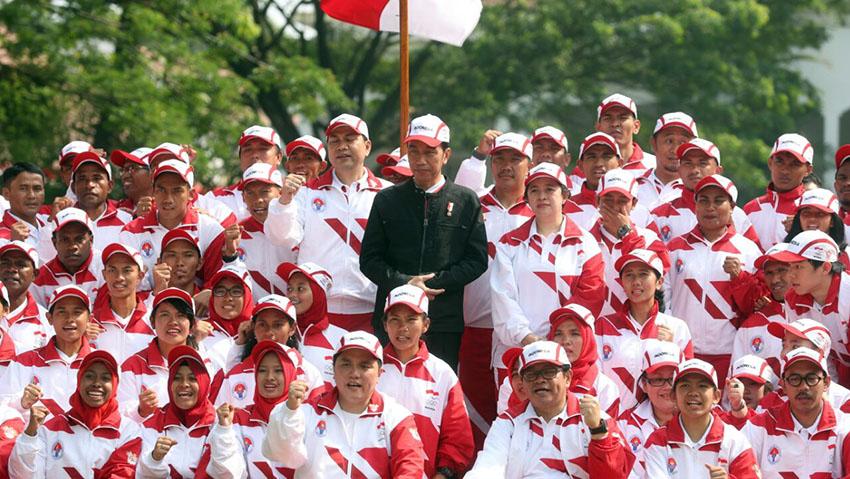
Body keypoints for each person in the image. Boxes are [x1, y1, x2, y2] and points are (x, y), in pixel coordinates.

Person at [360, 114, 488, 370]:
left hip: (443, 321)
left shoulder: (466, 200)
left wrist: (433, 283)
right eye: (414, 151)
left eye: (430, 152)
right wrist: (406, 283)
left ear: (446, 154)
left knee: (437, 394)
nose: (420, 160)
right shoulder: (386, 200)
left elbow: (476, 260)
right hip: (392, 319)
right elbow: (369, 260)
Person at [265, 113, 390, 333]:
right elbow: (282, 237)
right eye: (335, 141)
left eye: (350, 139)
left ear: (368, 146)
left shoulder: (388, 193)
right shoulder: (305, 193)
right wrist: (283, 202)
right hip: (318, 311)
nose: (342, 146)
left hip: (372, 310)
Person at [490, 162, 605, 380]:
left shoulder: (585, 243)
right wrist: (529, 339)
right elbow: (502, 300)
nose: (542, 196)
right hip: (516, 354)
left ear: (565, 196)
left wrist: (559, 341)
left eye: (549, 189)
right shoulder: (509, 243)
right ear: (527, 197)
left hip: (567, 358)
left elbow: (591, 297)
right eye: (535, 190)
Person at [262, 331, 426, 477]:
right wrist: (289, 411)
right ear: (333, 370)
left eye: (365, 366)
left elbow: (410, 469)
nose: (354, 374)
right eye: (346, 364)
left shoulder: (397, 417)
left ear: (380, 373)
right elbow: (282, 455)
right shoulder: (307, 411)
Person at [458, 132, 533, 447]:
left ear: (530, 165)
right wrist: (476, 156)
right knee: (473, 413)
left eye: (515, 159)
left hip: (520, 334)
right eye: (499, 159)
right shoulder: (473, 205)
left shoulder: (539, 212)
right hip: (475, 328)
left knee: (515, 413)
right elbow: (458, 190)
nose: (506, 166)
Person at [465, 341, 632, 478]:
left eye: (549, 372)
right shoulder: (508, 423)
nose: (540, 380)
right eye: (531, 374)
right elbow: (487, 469)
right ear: (522, 383)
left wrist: (599, 433)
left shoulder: (595, 419)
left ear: (567, 378)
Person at [666, 174, 761, 384]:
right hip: (683, 351)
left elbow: (756, 307)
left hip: (730, 352)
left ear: (732, 207)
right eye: (704, 200)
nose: (710, 207)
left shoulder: (748, 250)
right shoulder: (674, 248)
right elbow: (665, 301)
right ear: (695, 206)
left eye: (719, 201)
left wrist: (740, 277)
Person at [378, 284, 475, 478]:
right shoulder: (370, 367)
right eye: (395, 319)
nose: (402, 327)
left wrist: (442, 474)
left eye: (411, 319)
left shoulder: (442, 374)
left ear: (426, 324)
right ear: (385, 324)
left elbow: (458, 439)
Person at [9, 351, 141, 478]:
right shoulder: (50, 429)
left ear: (115, 385)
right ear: (79, 381)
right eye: (89, 376)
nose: (96, 384)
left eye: (105, 378)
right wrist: (29, 436)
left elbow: (122, 475)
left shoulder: (128, 431)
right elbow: (23, 476)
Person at [597, 249, 693, 410]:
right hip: (612, 422)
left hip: (660, 425)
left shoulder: (677, 327)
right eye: (629, 275)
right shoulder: (603, 326)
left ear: (659, 282)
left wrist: (674, 350)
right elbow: (596, 379)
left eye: (643, 274)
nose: (636, 281)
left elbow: (688, 382)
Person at [119, 159, 235, 286]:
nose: (168, 199)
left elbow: (217, 280)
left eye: (177, 191)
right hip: (149, 304)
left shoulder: (210, 229)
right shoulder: (131, 232)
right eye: (162, 190)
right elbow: (131, 289)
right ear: (153, 192)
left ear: (190, 195)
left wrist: (207, 293)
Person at [643, 359, 761, 478]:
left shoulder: (735, 441)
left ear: (716, 396)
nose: (693, 392)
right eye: (685, 386)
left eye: (702, 386)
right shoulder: (657, 441)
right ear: (673, 396)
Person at [742, 347, 850, 477]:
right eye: (794, 379)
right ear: (783, 385)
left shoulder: (845, 426)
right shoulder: (757, 427)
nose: (803, 387)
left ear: (826, 383)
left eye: (811, 378)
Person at [211, 294, 324, 408]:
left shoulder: (308, 374)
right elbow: (220, 421)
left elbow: (318, 420)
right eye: (262, 325)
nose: (269, 332)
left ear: (292, 329)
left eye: (278, 325)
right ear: (253, 327)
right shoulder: (235, 374)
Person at [207, 341, 300, 478]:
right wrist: (223, 432)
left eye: (278, 370)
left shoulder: (308, 416)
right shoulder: (238, 419)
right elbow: (228, 474)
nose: (269, 377)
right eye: (262, 370)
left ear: (290, 373)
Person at [1, 285, 94, 417]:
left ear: (90, 318)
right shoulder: (22, 362)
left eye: (77, 312)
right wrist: (21, 403)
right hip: (35, 437)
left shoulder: (101, 363)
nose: (70, 319)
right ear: (49, 318)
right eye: (62, 312)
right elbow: (3, 407)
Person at [772, 230, 850, 384]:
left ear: (826, 268)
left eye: (799, 267)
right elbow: (814, 355)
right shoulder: (793, 298)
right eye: (790, 266)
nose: (790, 275)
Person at [589, 168, 670, 316]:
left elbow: (656, 279)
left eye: (622, 201)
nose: (614, 207)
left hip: (636, 329)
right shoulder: (583, 240)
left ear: (634, 203)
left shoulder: (651, 239)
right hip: (595, 329)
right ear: (597, 201)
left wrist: (626, 234)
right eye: (608, 200)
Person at [117, 287, 202, 423]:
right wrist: (140, 411)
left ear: (192, 324)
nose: (173, 321)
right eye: (165, 314)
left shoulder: (204, 363)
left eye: (180, 315)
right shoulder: (133, 366)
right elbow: (119, 417)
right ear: (152, 322)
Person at [651, 138, 759, 244]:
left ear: (718, 171)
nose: (694, 170)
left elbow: (753, 256)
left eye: (702, 163)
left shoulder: (737, 215)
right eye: (688, 163)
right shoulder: (659, 215)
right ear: (679, 169)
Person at [137, 345, 216, 477]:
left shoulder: (219, 423)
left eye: (192, 378)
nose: (184, 384)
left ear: (204, 383)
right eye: (177, 378)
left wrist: (224, 433)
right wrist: (154, 459)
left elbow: (229, 473)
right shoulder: (151, 424)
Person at [617, 339, 684, 479]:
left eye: (673, 378)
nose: (667, 387)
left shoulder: (705, 419)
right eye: (658, 380)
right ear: (644, 385)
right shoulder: (624, 425)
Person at [278, 262, 346, 386]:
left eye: (300, 289)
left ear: (318, 293)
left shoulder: (341, 339)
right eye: (289, 289)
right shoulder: (277, 333)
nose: (292, 295)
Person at [547, 303, 621, 416]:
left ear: (588, 339)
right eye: (558, 334)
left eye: (575, 334)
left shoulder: (605, 387)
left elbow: (610, 432)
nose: (566, 341)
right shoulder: (537, 380)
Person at [744, 133, 814, 251]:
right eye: (779, 161)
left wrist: (800, 230)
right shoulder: (751, 208)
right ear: (770, 163)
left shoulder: (813, 211)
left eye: (795, 164)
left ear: (808, 170)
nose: (785, 170)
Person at [234, 162, 293, 298]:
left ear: (280, 193)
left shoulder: (296, 226)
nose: (258, 200)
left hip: (294, 314)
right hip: (254, 316)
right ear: (243, 197)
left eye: (264, 192)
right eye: (250, 193)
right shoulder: (237, 235)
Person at [88, 244, 153, 364]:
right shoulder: (90, 324)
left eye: (127, 270)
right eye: (112, 270)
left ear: (140, 276)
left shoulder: (154, 322)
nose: (119, 277)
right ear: (104, 275)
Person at [207, 125, 284, 222]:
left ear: (279, 157)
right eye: (248, 150)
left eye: (263, 149)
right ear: (240, 157)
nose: (255, 155)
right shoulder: (214, 200)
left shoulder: (299, 196)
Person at [31, 207, 103, 307]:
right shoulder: (40, 280)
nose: (73, 246)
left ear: (91, 240)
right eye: (65, 239)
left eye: (79, 239)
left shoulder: (106, 268)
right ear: (54, 242)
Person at [67, 150, 133, 253]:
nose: (89, 185)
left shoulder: (128, 222)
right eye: (82, 178)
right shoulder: (63, 221)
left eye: (97, 178)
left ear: (110, 186)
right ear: (73, 187)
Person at [635, 112, 698, 208]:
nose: (675, 150)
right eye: (669, 141)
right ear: (654, 144)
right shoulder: (631, 185)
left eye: (683, 142)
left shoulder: (702, 194)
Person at [202, 263, 254, 373]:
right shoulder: (200, 333)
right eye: (220, 291)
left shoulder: (260, 332)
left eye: (236, 291)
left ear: (248, 296)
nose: (228, 298)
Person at [0, 241, 50, 352]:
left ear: (35, 274)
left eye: (21, 265)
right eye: (5, 263)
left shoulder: (46, 322)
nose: (12, 269)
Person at [596, 93, 656, 174]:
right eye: (608, 118)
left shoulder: (654, 167)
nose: (615, 124)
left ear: (636, 126)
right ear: (598, 128)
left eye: (623, 118)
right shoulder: (585, 170)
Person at [0, 162, 49, 249]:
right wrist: (13, 246)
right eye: (23, 189)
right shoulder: (2, 237)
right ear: (6, 194)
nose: (31, 196)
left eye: (37, 189)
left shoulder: (51, 224)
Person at [720, 354, 776, 429]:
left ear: (767, 389)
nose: (745, 390)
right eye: (738, 384)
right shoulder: (721, 422)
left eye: (753, 384)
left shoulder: (776, 421)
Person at [153, 229, 204, 296]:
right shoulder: (142, 301)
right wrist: (157, 294)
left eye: (188, 255)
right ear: (159, 262)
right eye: (172, 255)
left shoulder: (212, 303)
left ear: (199, 263)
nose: (179, 263)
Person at [109, 147, 154, 217]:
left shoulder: (168, 208)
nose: (124, 175)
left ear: (152, 173)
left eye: (132, 168)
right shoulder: (114, 209)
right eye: (123, 170)